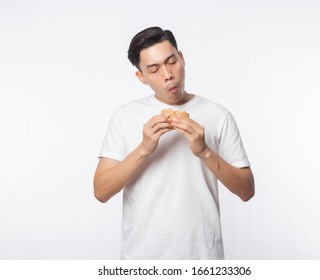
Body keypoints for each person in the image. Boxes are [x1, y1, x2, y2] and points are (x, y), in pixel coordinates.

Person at [94, 26, 255, 260]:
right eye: (154, 69)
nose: (168, 74)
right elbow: (101, 191)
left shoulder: (218, 115)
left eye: (171, 61)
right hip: (142, 260)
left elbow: (247, 190)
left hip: (204, 258)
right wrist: (143, 150)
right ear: (142, 77)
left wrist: (205, 152)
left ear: (182, 58)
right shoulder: (125, 116)